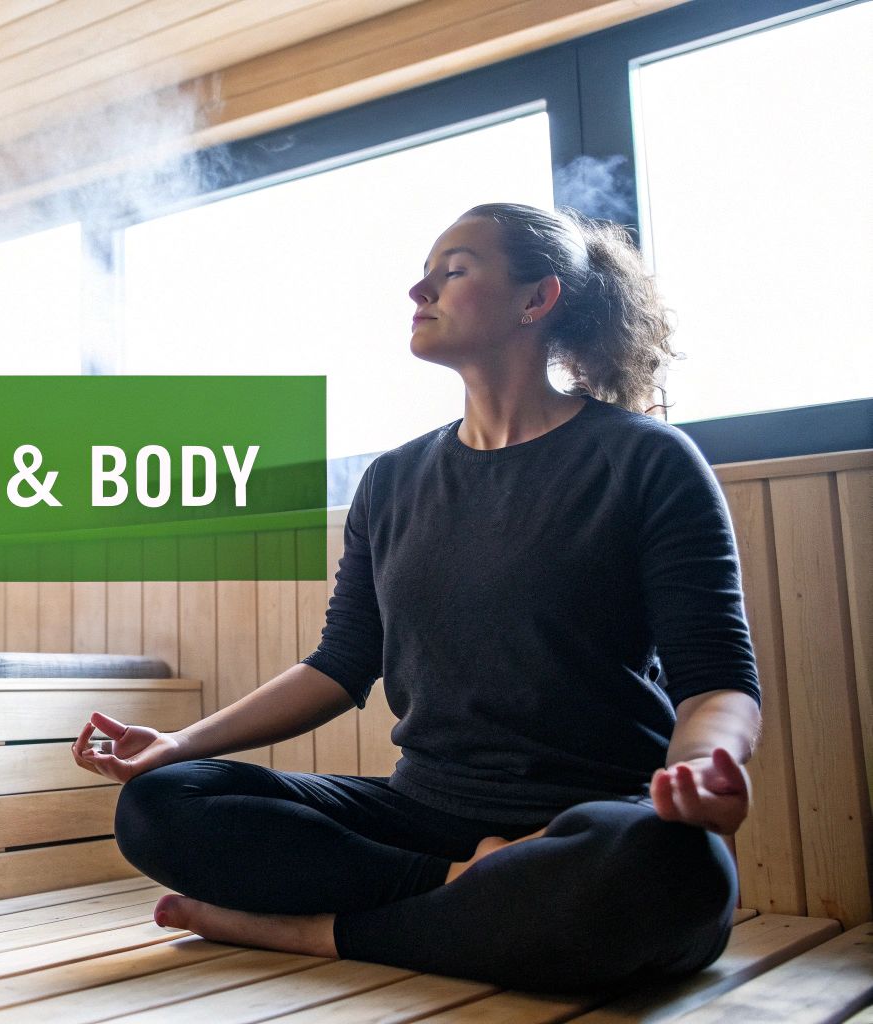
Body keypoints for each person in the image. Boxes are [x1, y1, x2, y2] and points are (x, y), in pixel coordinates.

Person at [71, 202, 764, 994]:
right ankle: (461, 892)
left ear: (536, 301)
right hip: (422, 816)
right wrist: (178, 746)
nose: (418, 289)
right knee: (163, 805)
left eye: (453, 270)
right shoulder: (393, 481)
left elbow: (716, 680)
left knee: (671, 872)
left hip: (594, 817)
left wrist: (703, 768)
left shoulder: (648, 461)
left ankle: (316, 933)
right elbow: (338, 665)